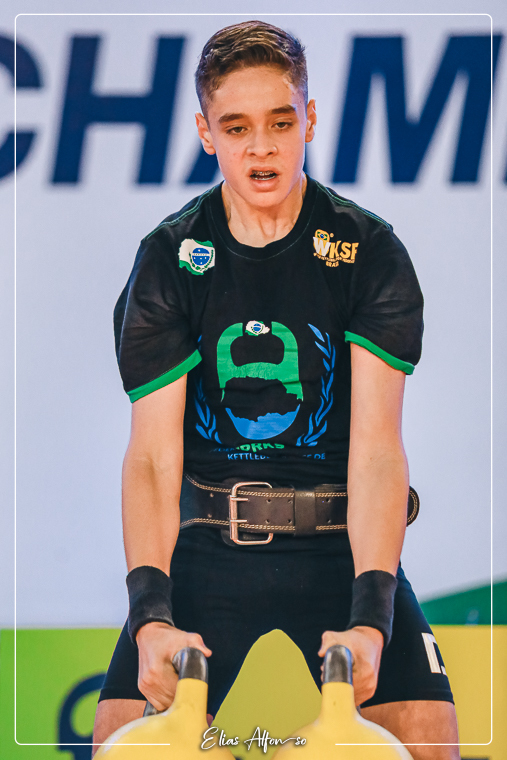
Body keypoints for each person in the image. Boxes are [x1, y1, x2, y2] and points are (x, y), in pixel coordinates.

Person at [92, 20, 460, 759]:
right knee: (120, 744)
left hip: (339, 545)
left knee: (428, 743)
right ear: (206, 133)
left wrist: (371, 618)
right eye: (236, 127)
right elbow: (153, 459)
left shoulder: (368, 250)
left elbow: (377, 453)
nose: (260, 147)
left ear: (309, 121)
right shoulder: (169, 258)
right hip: (208, 546)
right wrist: (152, 616)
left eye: (280, 122)